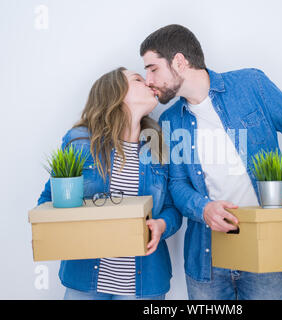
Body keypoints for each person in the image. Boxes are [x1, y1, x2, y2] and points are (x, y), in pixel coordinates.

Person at [139, 24, 282, 300]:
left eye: (153, 68)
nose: (148, 79)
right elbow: (178, 184)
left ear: (179, 62)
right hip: (206, 261)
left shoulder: (252, 85)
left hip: (266, 250)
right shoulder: (170, 121)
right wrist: (203, 208)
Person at [37, 67, 182, 300]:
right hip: (85, 279)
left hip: (144, 284)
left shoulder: (159, 148)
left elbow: (173, 208)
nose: (149, 83)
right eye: (138, 79)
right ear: (115, 92)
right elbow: (49, 200)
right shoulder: (80, 141)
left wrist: (162, 225)